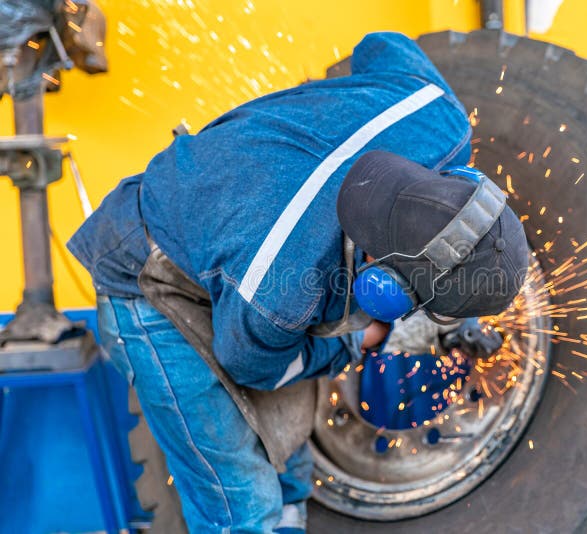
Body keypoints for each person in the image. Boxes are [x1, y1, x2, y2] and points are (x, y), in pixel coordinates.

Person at [67, 32, 528, 533]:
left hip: (229, 246)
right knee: (242, 503)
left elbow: (382, 44)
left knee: (289, 469)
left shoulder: (436, 113)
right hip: (149, 281)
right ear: (384, 288)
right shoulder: (284, 289)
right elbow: (251, 369)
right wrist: (361, 339)